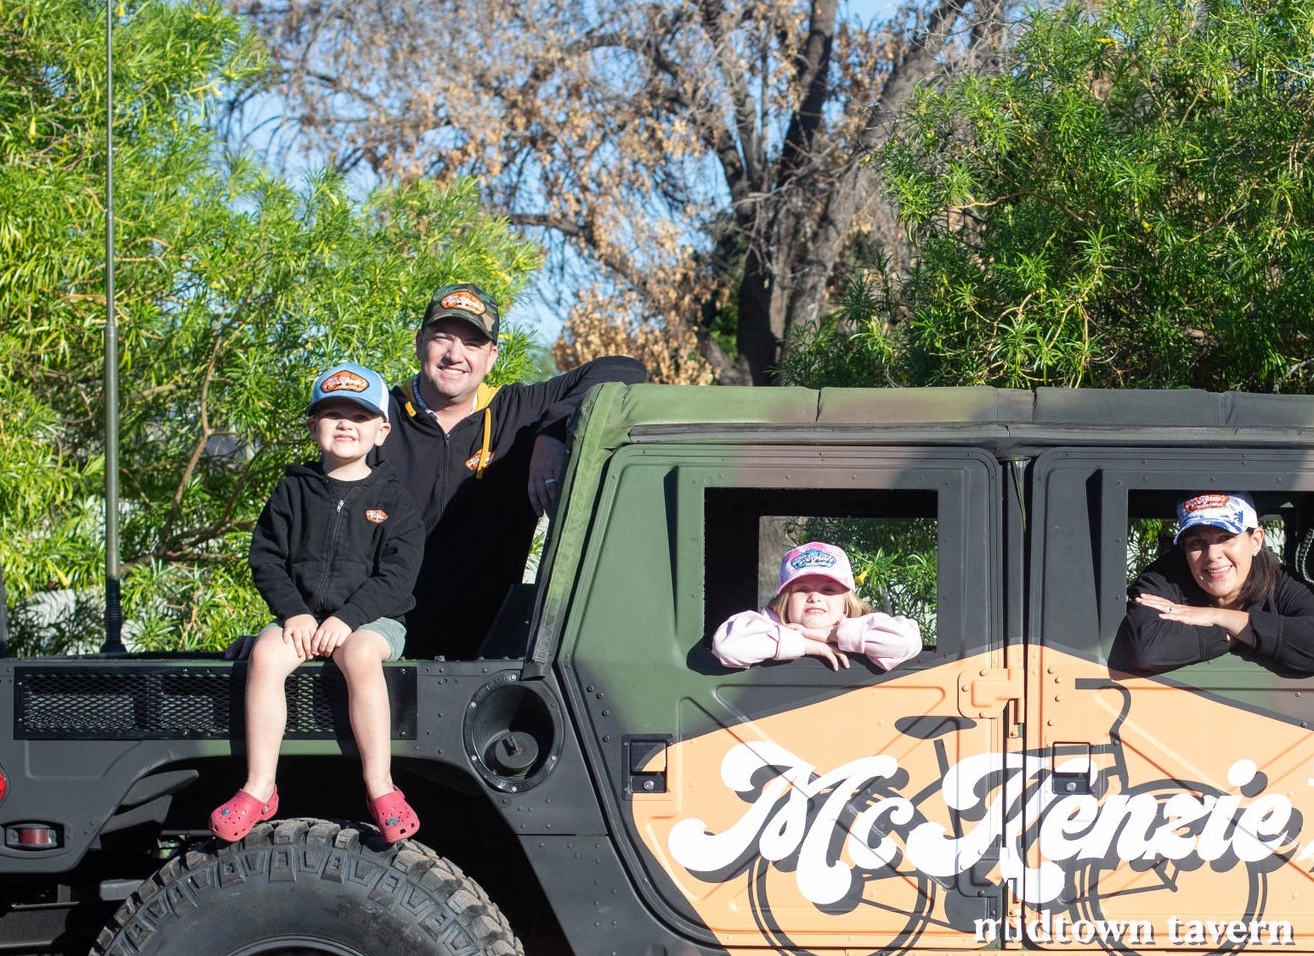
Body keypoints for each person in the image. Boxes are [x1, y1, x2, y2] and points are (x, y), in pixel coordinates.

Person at [373, 282, 647, 660]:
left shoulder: (518, 411)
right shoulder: (373, 418)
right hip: (378, 642)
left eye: (473, 344)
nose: (455, 355)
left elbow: (624, 369)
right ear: (420, 342)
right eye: (442, 338)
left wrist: (551, 431)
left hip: (483, 657)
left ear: (492, 356)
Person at [212, 364, 426, 845]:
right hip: (302, 619)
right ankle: (260, 787)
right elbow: (266, 558)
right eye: (332, 414)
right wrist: (295, 613)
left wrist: (349, 619)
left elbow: (398, 576)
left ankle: (380, 787)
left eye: (360, 415)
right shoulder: (293, 491)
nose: (345, 423)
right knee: (266, 655)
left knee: (360, 656)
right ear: (313, 428)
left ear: (382, 430)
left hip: (373, 621)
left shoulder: (395, 500)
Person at [1115, 493, 1314, 677]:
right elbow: (1147, 649)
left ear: (1255, 540)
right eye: (1197, 542)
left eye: (1225, 537)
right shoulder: (1166, 577)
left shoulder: (1280, 582)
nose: (1212, 554)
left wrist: (1216, 616)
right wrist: (1242, 634)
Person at [712, 541, 924, 672]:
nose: (814, 597)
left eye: (828, 590)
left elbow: (906, 642)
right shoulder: (764, 626)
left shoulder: (864, 625)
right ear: (785, 599)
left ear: (846, 601)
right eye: (802, 589)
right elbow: (727, 648)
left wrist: (830, 635)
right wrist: (806, 643)